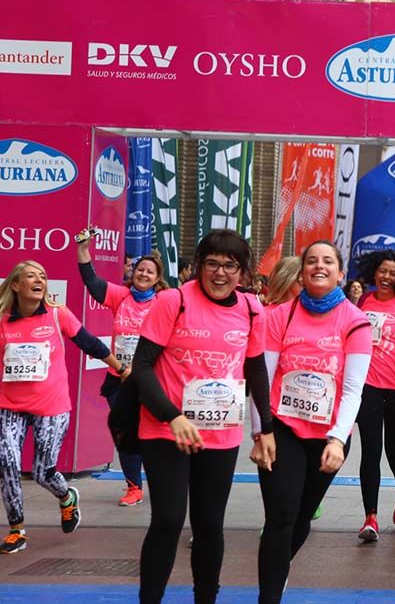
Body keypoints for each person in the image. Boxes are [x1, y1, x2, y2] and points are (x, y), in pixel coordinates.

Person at [132, 229, 273, 603]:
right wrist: (171, 415)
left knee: (210, 524)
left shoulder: (251, 308)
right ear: (197, 266)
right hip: (166, 430)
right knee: (168, 519)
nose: (220, 273)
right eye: (212, 263)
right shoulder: (172, 300)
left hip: (220, 433)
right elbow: (142, 366)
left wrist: (265, 429)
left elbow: (256, 369)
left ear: (243, 274)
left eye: (230, 265)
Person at [252, 240, 371, 604]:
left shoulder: (356, 321)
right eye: (312, 261)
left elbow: (353, 390)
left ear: (339, 273)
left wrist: (337, 439)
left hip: (328, 436)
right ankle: (269, 595)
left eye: (328, 262)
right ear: (302, 271)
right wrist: (261, 431)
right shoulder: (279, 316)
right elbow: (264, 378)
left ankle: (278, 565)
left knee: (301, 516)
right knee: (280, 516)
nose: (319, 267)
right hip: (282, 429)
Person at [0, 260, 124, 555]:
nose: (39, 280)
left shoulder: (57, 315)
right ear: (16, 285)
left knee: (43, 473)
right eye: (31, 275)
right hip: (9, 405)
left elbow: (91, 344)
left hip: (51, 406)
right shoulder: (3, 320)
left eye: (43, 275)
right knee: (7, 464)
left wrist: (122, 369)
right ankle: (17, 529)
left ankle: (67, 496)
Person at [75, 228, 168, 507]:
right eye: (140, 269)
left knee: (153, 434)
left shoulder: (165, 302)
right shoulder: (120, 296)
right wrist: (83, 249)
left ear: (157, 278)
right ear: (133, 272)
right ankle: (133, 487)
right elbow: (91, 281)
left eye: (150, 272)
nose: (143, 274)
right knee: (126, 433)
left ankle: (165, 483)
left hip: (152, 380)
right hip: (120, 378)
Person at [352, 249, 395, 541]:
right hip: (367, 385)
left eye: (392, 273)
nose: (386, 277)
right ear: (373, 272)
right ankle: (371, 517)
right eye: (382, 271)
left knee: (394, 450)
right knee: (370, 449)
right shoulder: (364, 300)